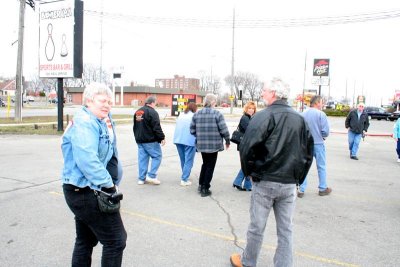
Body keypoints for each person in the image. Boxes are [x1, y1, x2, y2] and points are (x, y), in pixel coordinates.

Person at [230, 77, 314, 267]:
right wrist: (299, 177)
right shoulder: (299, 119)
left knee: (257, 226)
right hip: (289, 183)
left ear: (274, 93)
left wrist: (249, 172)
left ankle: (248, 261)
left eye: (265, 90)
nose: (262, 93)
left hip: (265, 181)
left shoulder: (263, 116)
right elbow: (309, 153)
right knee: (286, 229)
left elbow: (247, 148)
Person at [61, 83, 127, 267]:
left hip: (87, 189)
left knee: (85, 240)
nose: (107, 105)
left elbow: (110, 151)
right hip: (85, 191)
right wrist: (109, 185)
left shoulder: (101, 119)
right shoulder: (85, 122)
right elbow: (87, 160)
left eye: (109, 102)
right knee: (116, 240)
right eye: (102, 101)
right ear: (89, 101)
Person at [190, 93, 230, 197]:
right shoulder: (217, 114)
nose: (215, 104)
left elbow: (192, 130)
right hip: (214, 145)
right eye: (215, 102)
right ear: (212, 102)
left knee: (205, 164)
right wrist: (227, 140)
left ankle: (200, 184)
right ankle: (205, 188)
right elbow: (223, 129)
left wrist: (200, 136)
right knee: (210, 166)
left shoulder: (197, 114)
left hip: (202, 145)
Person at [298, 95, 332, 198]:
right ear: (317, 103)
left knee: (304, 166)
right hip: (318, 143)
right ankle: (322, 188)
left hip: (306, 144)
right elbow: (325, 131)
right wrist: (323, 136)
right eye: (321, 102)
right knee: (321, 166)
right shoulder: (321, 114)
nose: (322, 104)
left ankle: (301, 189)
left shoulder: (302, 114)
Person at [133, 95, 166, 185]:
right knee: (157, 156)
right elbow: (156, 127)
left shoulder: (138, 111)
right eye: (155, 103)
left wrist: (137, 137)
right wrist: (162, 137)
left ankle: (141, 179)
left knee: (142, 159)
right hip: (150, 140)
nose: (155, 104)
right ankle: (151, 176)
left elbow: (135, 127)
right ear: (152, 102)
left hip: (140, 140)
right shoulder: (152, 112)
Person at [232, 101, 257, 191]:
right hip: (244, 145)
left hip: (247, 144)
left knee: (248, 164)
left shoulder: (251, 118)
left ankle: (247, 185)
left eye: (252, 108)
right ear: (246, 109)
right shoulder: (245, 118)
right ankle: (239, 182)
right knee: (247, 164)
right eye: (249, 108)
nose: (251, 110)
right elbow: (250, 131)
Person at [173, 102, 198, 186]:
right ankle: (184, 179)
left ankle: (185, 174)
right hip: (189, 141)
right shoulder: (194, 116)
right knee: (189, 160)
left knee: (183, 159)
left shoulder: (181, 114)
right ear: (194, 109)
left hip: (178, 139)